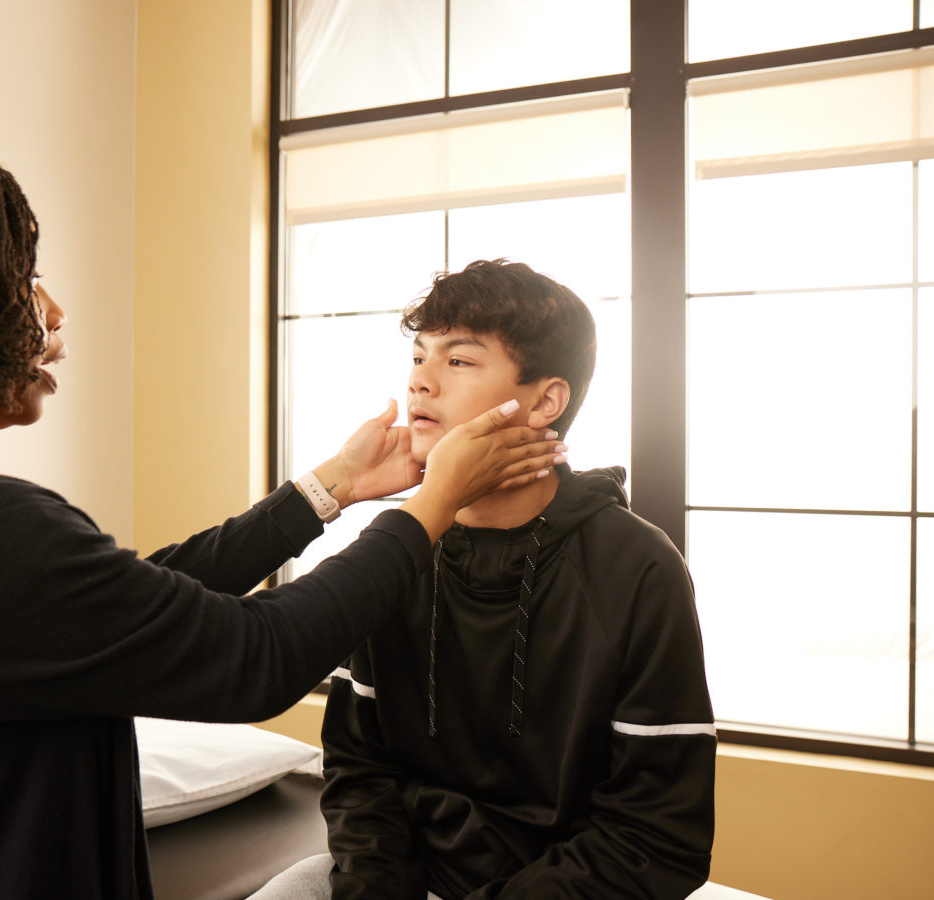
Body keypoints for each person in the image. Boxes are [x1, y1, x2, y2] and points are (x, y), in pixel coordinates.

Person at [0, 141, 567, 899]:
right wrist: (431, 505)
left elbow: (135, 603)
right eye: (22, 282)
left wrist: (330, 488)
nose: (55, 313)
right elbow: (251, 659)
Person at [268, 259, 716, 899]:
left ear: (546, 400)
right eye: (419, 357)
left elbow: (656, 830)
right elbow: (359, 769)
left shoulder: (638, 566)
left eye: (458, 361)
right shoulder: (397, 551)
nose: (421, 382)